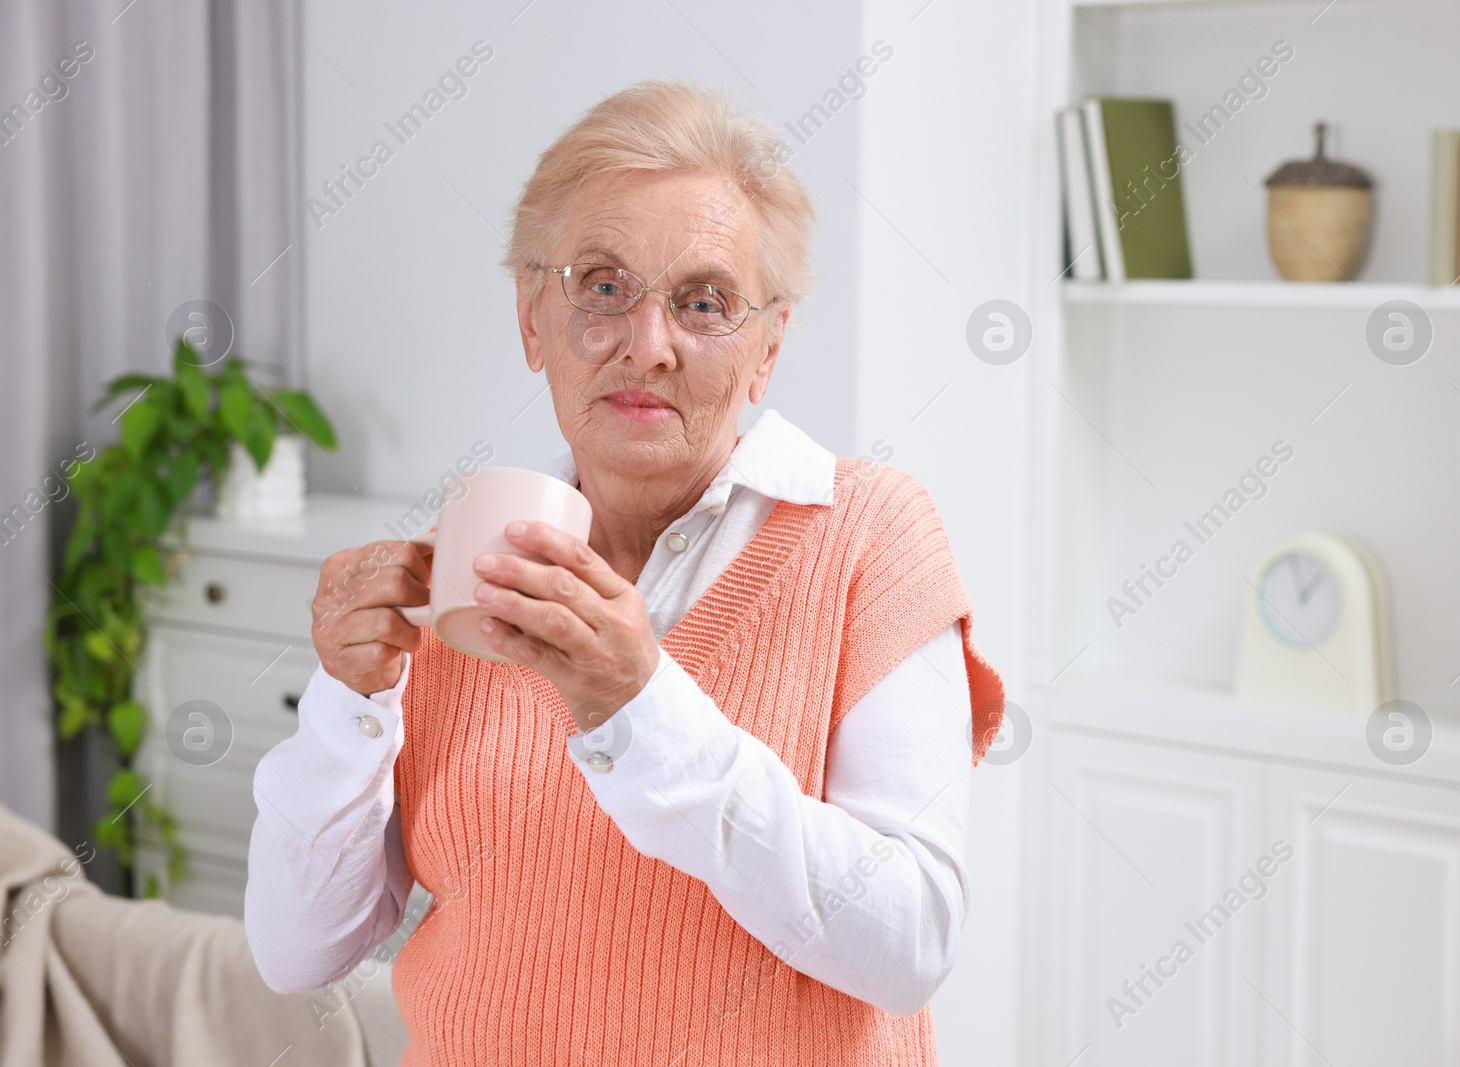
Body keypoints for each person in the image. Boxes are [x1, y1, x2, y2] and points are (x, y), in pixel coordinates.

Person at [245, 80, 1005, 1066]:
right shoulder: (470, 569)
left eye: (704, 301)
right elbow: (296, 949)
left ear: (766, 349)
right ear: (532, 318)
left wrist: (636, 704)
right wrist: (348, 705)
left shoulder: (869, 534)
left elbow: (907, 939)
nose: (648, 345)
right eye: (601, 285)